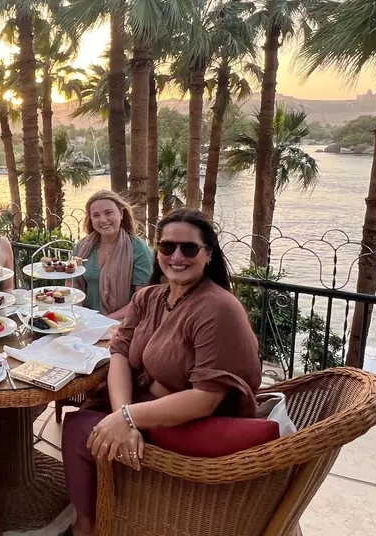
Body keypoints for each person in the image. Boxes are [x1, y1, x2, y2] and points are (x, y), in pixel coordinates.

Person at [61, 209, 262, 536]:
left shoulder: (217, 307)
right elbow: (119, 353)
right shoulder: (149, 297)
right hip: (143, 407)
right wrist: (123, 416)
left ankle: (88, 527)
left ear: (208, 254)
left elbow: (206, 399)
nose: (177, 256)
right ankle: (95, 515)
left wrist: (126, 419)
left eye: (189, 248)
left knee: (80, 429)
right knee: (81, 420)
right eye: (167, 248)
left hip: (189, 423)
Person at [71, 190, 153, 320]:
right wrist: (79, 318)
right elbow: (73, 286)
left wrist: (105, 321)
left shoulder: (138, 249)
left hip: (124, 323)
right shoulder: (81, 247)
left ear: (120, 213)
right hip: (85, 321)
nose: (103, 220)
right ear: (91, 219)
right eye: (96, 215)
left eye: (108, 213)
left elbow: (142, 298)